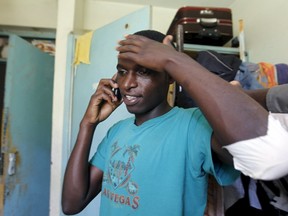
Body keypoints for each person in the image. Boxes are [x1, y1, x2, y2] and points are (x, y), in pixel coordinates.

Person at [61, 30, 273, 216]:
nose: (127, 84)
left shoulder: (194, 124)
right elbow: (72, 204)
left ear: (171, 77)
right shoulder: (116, 132)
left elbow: (257, 154)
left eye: (143, 72)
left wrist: (175, 61)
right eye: (123, 72)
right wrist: (87, 124)